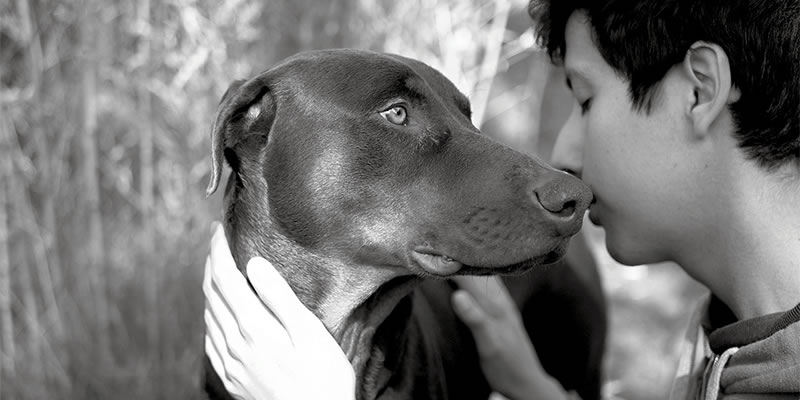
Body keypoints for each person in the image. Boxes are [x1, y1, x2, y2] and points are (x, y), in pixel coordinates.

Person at [203, 0, 800, 398]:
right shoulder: (727, 334)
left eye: (585, 99)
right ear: (247, 132)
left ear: (701, 91)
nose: (562, 162)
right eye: (397, 114)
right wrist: (536, 388)